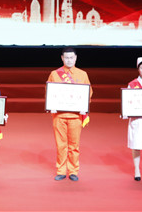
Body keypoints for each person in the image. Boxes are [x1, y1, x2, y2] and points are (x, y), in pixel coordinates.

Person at [47, 47, 93, 182]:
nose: (69, 60)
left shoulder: (82, 74)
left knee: (74, 145)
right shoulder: (55, 74)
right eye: (66, 58)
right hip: (59, 116)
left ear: (76, 58)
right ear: (62, 58)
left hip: (75, 116)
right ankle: (61, 170)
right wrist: (51, 105)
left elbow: (89, 93)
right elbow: (49, 92)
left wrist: (84, 106)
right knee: (61, 145)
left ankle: (73, 171)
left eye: (71, 57)